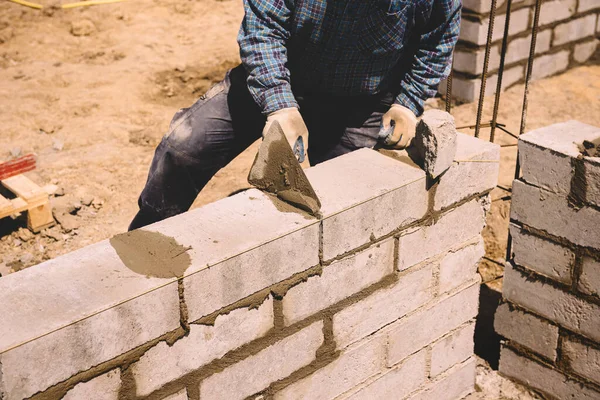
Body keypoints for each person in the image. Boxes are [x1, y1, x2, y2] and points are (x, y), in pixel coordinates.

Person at [129, 0, 461, 230]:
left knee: (346, 208)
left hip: (360, 104)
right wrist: (280, 105)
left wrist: (408, 101)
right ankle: (147, 239)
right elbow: (263, 30)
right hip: (278, 75)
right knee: (185, 148)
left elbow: (438, 40)